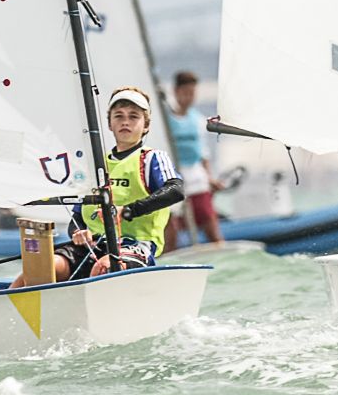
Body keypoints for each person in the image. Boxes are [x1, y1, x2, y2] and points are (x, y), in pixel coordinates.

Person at [12, 87, 182, 286]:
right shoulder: (94, 165)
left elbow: (176, 189)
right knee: (40, 268)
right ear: (110, 124)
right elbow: (77, 216)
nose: (125, 121)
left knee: (104, 268)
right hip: (93, 245)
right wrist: (78, 233)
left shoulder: (151, 158)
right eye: (118, 116)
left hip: (134, 245)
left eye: (133, 116)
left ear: (146, 125)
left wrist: (128, 211)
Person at [163, 70, 225, 247]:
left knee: (212, 228)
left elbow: (203, 154)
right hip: (174, 181)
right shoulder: (166, 121)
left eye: (192, 93)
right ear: (176, 92)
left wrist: (210, 178)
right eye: (185, 93)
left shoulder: (197, 120)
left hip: (197, 180)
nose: (189, 97)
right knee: (171, 233)